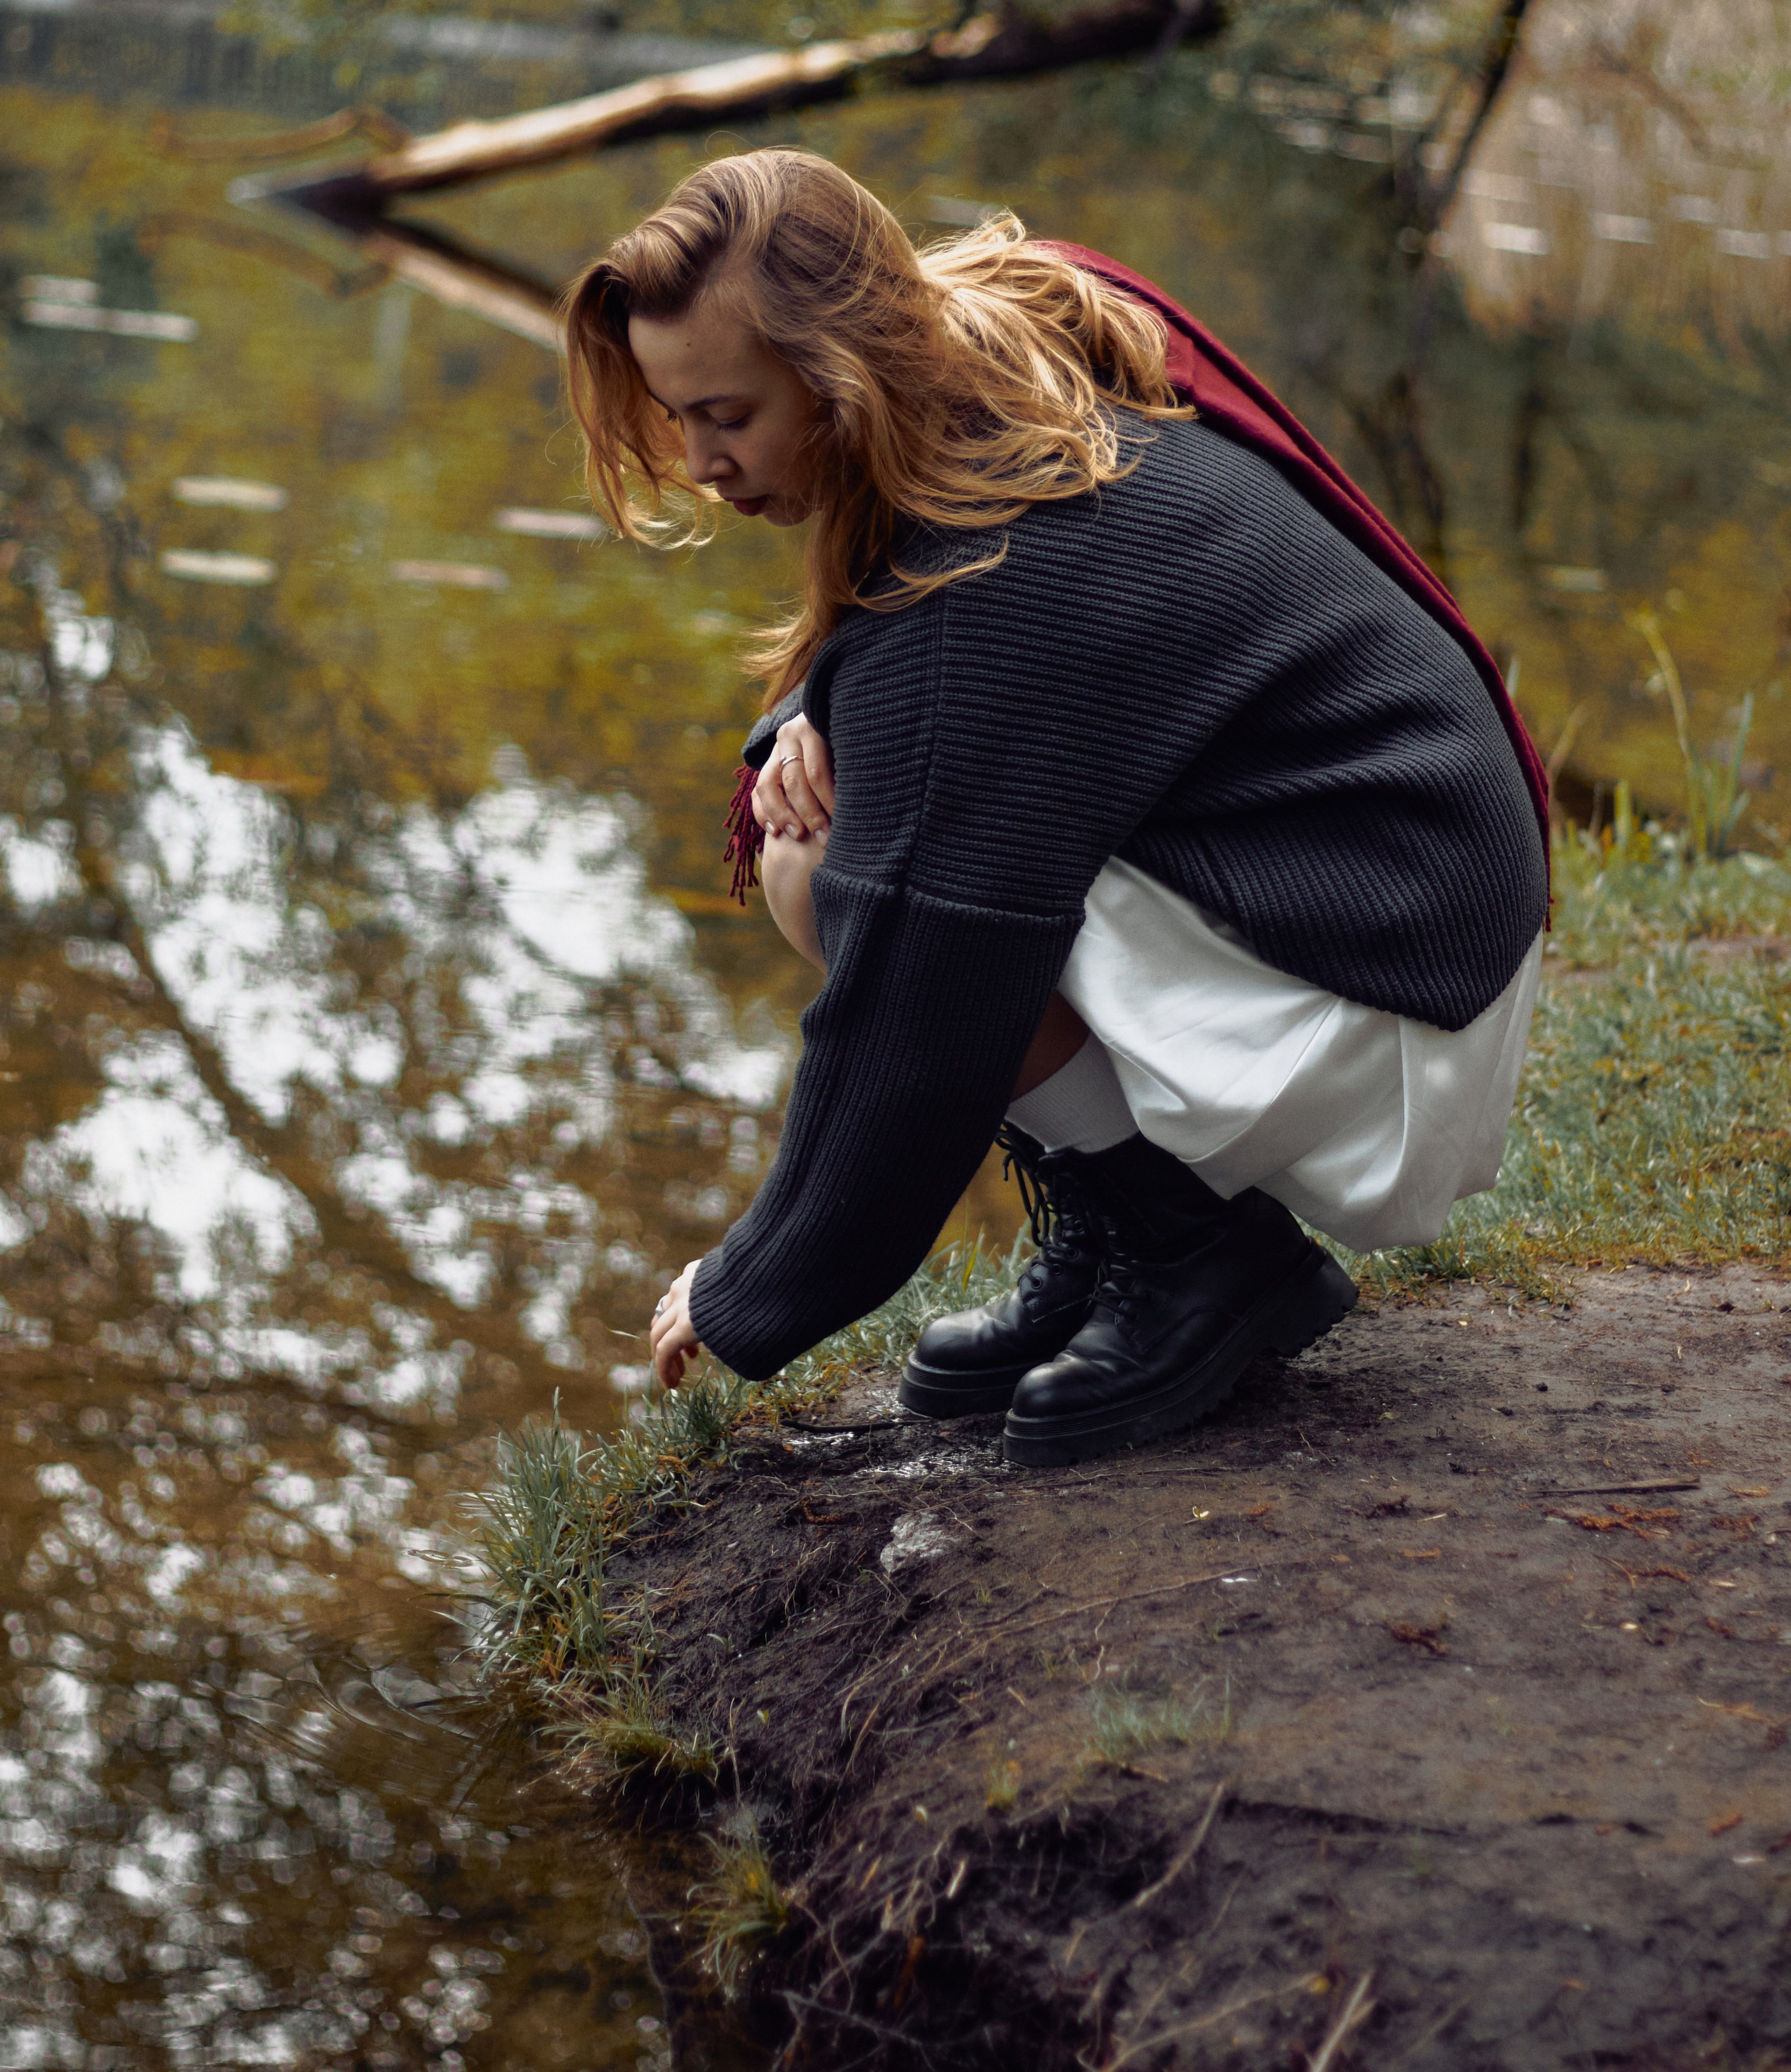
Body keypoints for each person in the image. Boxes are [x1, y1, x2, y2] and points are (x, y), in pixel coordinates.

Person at [564, 149, 1550, 1467]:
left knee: (849, 877)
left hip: (1394, 978)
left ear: (840, 370)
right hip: (1403, 898)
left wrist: (757, 1284)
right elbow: (894, 674)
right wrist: (809, 719)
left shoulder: (990, 564)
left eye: (727, 416)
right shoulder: (988, 356)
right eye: (676, 417)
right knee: (839, 838)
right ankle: (1122, 1226)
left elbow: (921, 994)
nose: (700, 462)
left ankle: (1206, 1257)